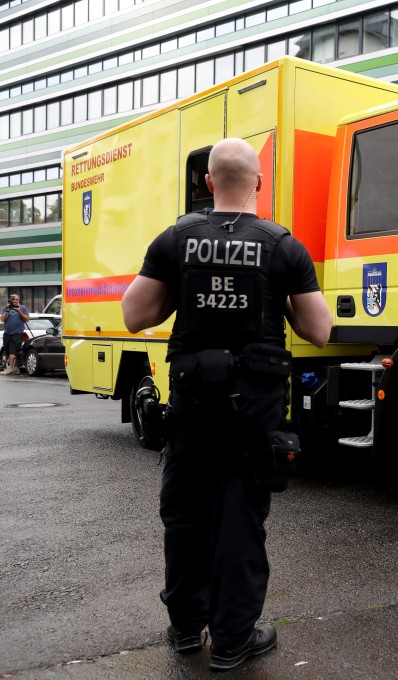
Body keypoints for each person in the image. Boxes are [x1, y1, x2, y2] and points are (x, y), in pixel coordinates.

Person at [121, 138, 333, 671]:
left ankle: (186, 632)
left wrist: (180, 293)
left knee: (186, 514)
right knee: (240, 517)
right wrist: (277, 296)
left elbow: (134, 315)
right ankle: (235, 640)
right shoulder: (283, 246)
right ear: (258, 183)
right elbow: (319, 330)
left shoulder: (175, 239)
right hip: (253, 411)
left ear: (209, 183)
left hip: (192, 407)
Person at [1, 293, 29, 375]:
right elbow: (2, 319)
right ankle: (16, 368)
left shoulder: (23, 308)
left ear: (19, 300)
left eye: (16, 299)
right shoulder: (5, 308)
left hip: (18, 333)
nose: (15, 301)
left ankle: (10, 368)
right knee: (8, 350)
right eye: (13, 300)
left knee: (13, 350)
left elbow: (27, 319)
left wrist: (19, 311)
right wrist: (7, 310)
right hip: (7, 333)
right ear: (10, 300)